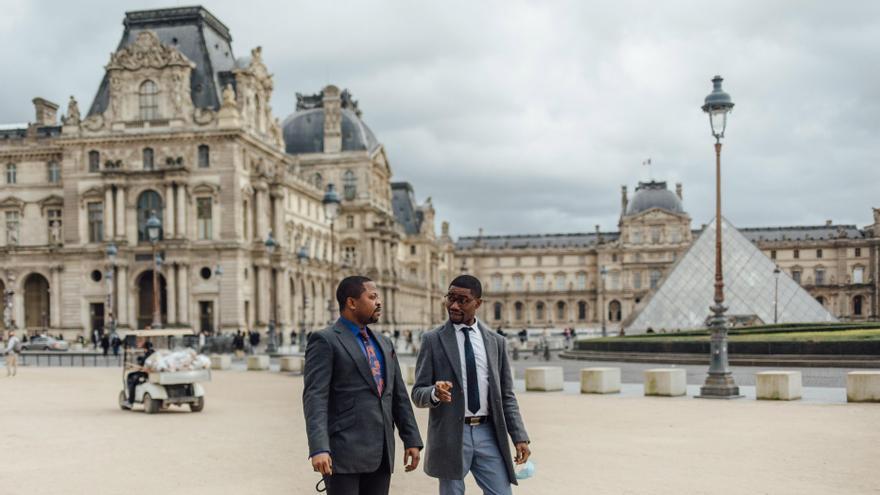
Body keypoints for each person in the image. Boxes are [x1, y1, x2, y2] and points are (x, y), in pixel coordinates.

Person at [302, 276, 423, 495]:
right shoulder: (325, 340)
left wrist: (411, 438)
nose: (379, 302)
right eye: (372, 297)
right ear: (351, 302)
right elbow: (315, 397)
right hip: (343, 452)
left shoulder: (384, 343)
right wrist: (319, 448)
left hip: (381, 452)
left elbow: (398, 395)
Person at [412, 275, 531, 495]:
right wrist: (434, 393)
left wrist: (519, 436)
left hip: (489, 433)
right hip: (451, 434)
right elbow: (418, 393)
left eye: (462, 300)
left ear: (478, 303)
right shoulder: (432, 340)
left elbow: (506, 396)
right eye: (450, 298)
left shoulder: (496, 342)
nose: (454, 305)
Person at [125, 341, 155, 406]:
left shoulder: (148, 354)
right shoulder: (154, 353)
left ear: (145, 348)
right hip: (151, 372)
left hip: (146, 374)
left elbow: (142, 365)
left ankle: (130, 400)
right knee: (133, 375)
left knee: (131, 378)